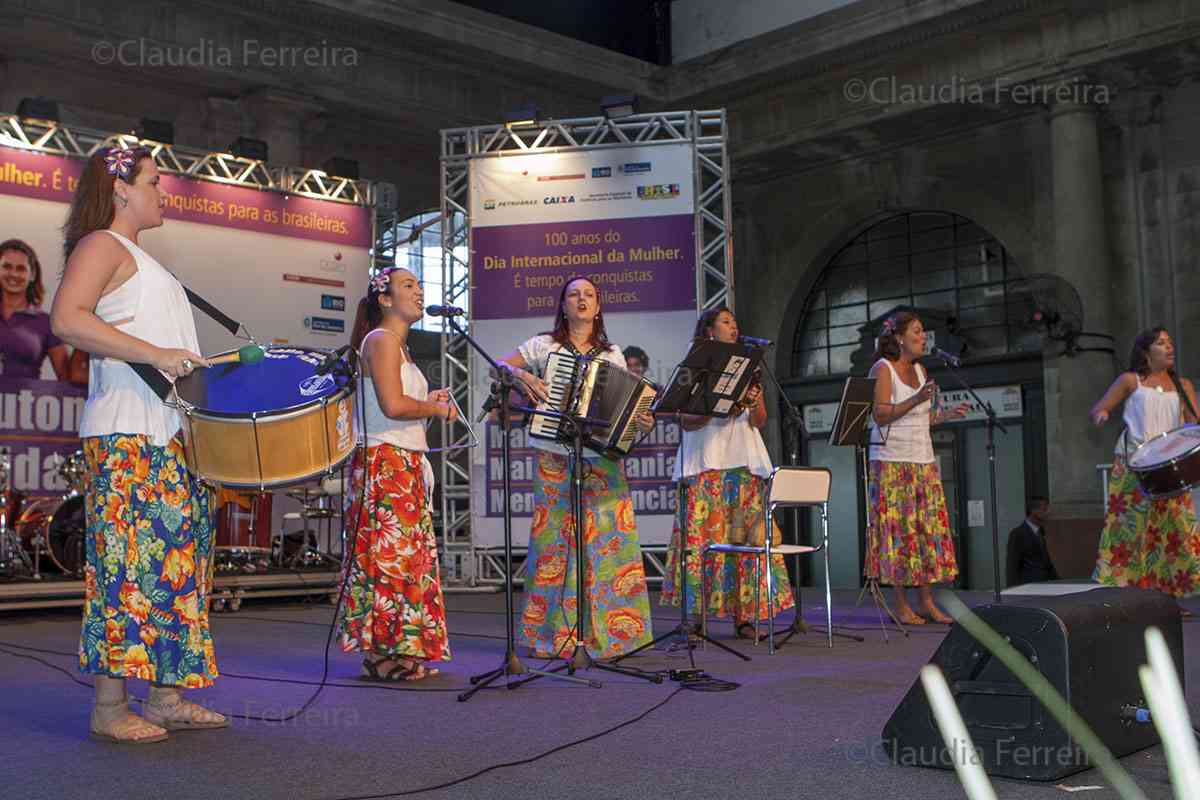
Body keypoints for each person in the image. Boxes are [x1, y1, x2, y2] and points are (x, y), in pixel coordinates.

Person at [50, 145, 225, 743]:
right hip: (128, 435)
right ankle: (108, 707)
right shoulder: (101, 245)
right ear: (121, 189)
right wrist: (156, 355)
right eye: (153, 181)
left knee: (175, 567)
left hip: (167, 437)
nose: (163, 192)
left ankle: (166, 697)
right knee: (125, 567)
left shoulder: (145, 261)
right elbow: (67, 319)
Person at [498, 276, 655, 660]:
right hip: (555, 453)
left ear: (598, 307)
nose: (581, 299)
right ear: (563, 305)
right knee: (554, 544)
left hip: (601, 458)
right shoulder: (543, 345)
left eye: (589, 295)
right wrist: (523, 375)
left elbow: (623, 409)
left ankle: (612, 636)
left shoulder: (612, 354)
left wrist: (640, 423)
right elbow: (498, 366)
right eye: (574, 295)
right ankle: (551, 636)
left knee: (608, 544)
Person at [339, 266, 453, 681]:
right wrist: (435, 408)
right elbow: (393, 405)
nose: (419, 291)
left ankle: (400, 648)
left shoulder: (398, 346)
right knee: (388, 559)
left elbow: (399, 402)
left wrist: (428, 401)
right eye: (409, 285)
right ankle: (381, 653)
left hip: (403, 461)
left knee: (406, 560)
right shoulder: (382, 340)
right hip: (384, 462)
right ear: (385, 299)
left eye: (420, 285)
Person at [660, 307, 793, 640]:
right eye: (725, 322)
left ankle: (744, 617)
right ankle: (695, 618)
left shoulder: (748, 367)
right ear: (709, 330)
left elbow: (760, 421)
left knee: (743, 540)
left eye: (735, 322)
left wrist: (753, 401)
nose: (733, 326)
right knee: (700, 543)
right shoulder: (695, 366)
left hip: (743, 463)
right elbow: (686, 421)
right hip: (705, 463)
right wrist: (718, 404)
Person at [865, 311, 968, 625]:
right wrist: (917, 398)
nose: (924, 337)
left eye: (923, 332)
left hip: (923, 461)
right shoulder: (882, 369)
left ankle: (926, 602)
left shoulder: (921, 370)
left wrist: (945, 415)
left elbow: (921, 419)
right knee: (899, 533)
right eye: (918, 331)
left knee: (925, 533)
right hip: (891, 462)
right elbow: (881, 414)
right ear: (899, 338)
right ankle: (901, 605)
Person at [1091, 327, 1200, 598]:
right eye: (1161, 343)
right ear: (1146, 351)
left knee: (1174, 531)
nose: (1169, 347)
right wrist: (1102, 415)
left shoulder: (1183, 385)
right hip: (1133, 466)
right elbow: (1100, 408)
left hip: (1169, 468)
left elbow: (1193, 425)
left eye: (1170, 342)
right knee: (1130, 529)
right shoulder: (1131, 381)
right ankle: (1126, 595)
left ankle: (1174, 594)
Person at [0, 239, 70, 379]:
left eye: (21, 268)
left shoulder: (47, 323)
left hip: (26, 393)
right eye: (7, 266)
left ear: (32, 275)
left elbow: (66, 378)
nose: (13, 274)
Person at [1006, 496, 1058, 587]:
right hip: (1028, 587)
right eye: (1044, 509)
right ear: (1033, 511)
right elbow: (1012, 566)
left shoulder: (1040, 532)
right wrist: (1013, 589)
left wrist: (1059, 582)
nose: (1048, 513)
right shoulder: (1018, 534)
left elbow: (1046, 563)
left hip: (1045, 585)